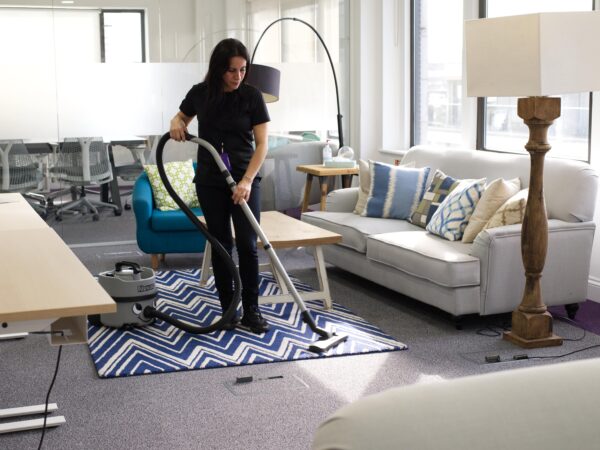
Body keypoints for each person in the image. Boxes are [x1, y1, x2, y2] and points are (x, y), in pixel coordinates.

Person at [170, 38, 270, 334]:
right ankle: (229, 308)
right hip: (211, 181)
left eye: (242, 70)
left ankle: (252, 309)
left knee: (249, 246)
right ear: (218, 70)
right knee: (221, 244)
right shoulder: (201, 94)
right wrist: (176, 122)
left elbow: (262, 144)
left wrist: (247, 181)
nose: (238, 76)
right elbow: (181, 116)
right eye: (231, 71)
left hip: (245, 180)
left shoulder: (252, 96)